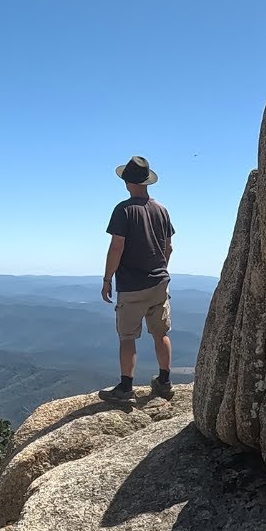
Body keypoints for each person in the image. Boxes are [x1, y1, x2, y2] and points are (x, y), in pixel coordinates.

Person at [99, 155, 175, 402]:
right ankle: (164, 382)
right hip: (159, 282)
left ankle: (126, 388)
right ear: (146, 182)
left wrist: (108, 278)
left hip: (132, 285)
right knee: (160, 333)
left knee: (127, 336)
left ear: (127, 182)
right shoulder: (161, 210)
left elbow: (117, 247)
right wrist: (160, 268)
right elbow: (168, 247)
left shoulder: (123, 210)